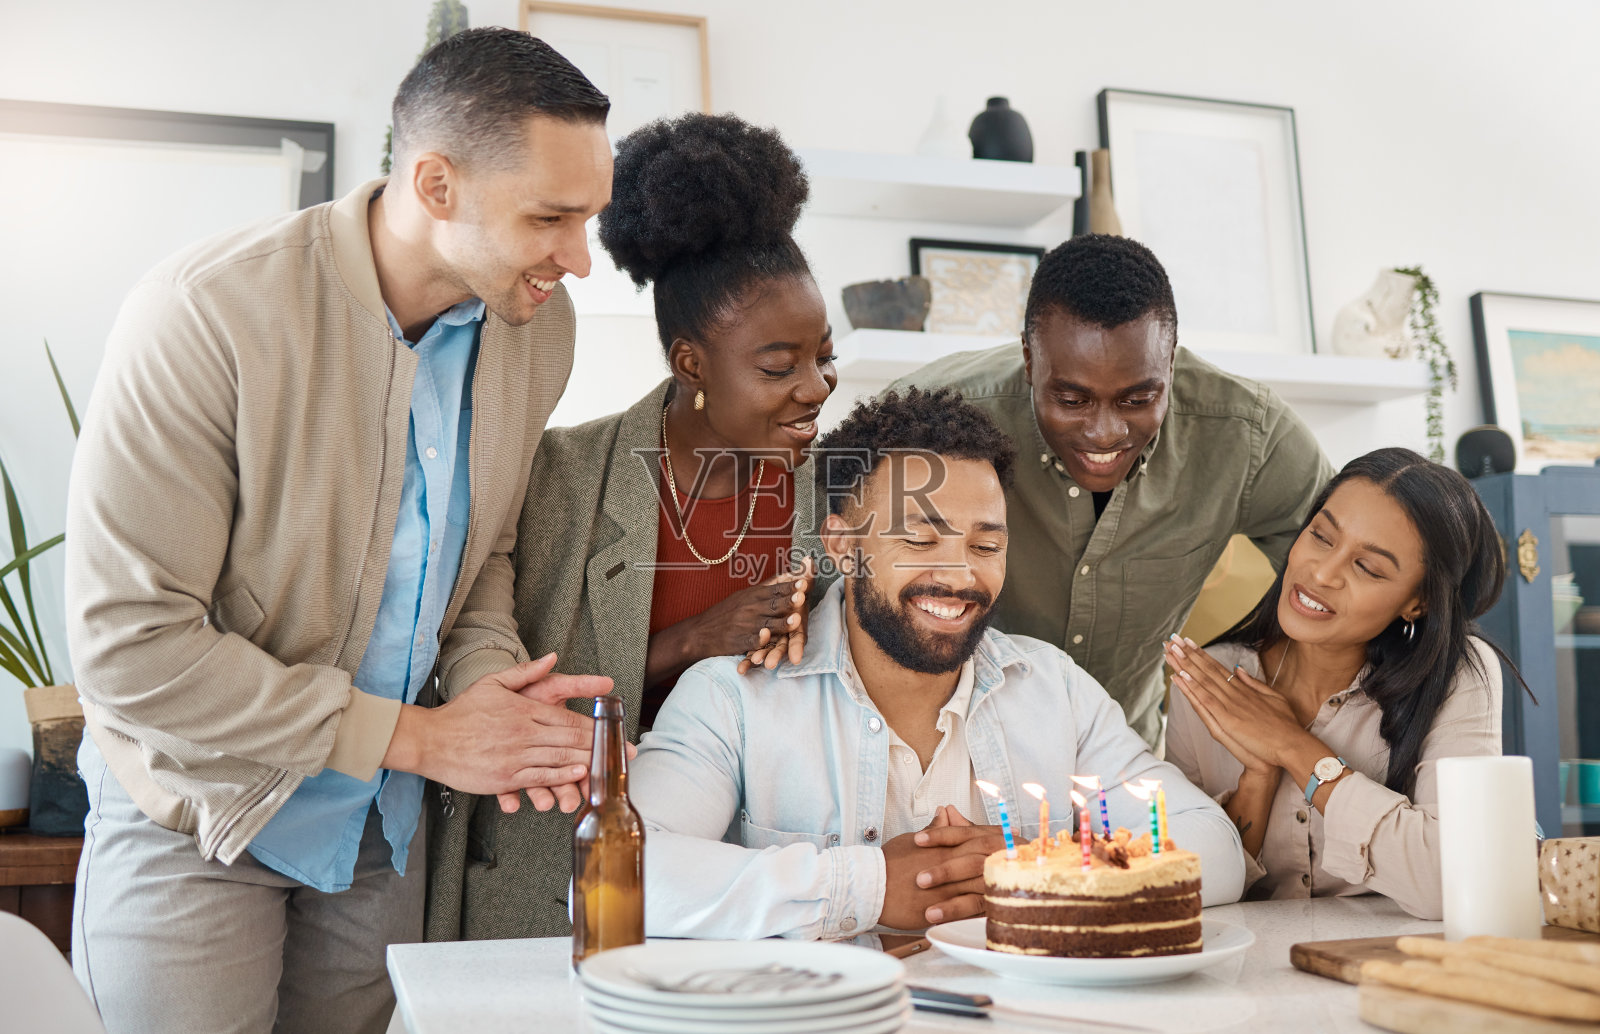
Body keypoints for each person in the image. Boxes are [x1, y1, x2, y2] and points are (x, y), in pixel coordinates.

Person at [63, 29, 615, 1034]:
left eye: (589, 219)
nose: (579, 260)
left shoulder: (539, 329)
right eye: (550, 218)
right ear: (435, 184)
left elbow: (480, 548)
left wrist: (490, 684)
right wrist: (426, 737)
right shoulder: (207, 312)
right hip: (201, 814)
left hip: (378, 828)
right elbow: (129, 645)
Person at [630, 389, 1245, 940]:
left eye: (986, 545)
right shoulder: (731, 698)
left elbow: (1216, 850)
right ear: (843, 545)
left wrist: (1039, 868)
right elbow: (622, 872)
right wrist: (869, 887)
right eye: (920, 540)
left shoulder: (1054, 690)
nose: (959, 575)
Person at [426, 112, 832, 941]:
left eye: (824, 356)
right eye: (779, 366)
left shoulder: (838, 498)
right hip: (563, 878)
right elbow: (512, 694)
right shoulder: (557, 479)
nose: (816, 387)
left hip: (763, 887)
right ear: (691, 364)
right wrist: (693, 641)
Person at [884, 235, 1332, 745]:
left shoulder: (1248, 435)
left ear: (1171, 363)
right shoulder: (936, 413)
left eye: (1137, 400)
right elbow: (829, 549)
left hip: (1126, 750)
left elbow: (1344, 569)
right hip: (952, 744)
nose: (1104, 434)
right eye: (1072, 400)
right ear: (1029, 359)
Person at [1164, 448, 1518, 919]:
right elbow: (1180, 887)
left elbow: (1453, 881)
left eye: (1367, 567)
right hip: (1246, 961)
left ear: (1418, 603)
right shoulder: (1210, 680)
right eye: (1321, 536)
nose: (1322, 573)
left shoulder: (1456, 675)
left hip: (1398, 957)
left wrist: (1294, 747)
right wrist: (1258, 777)